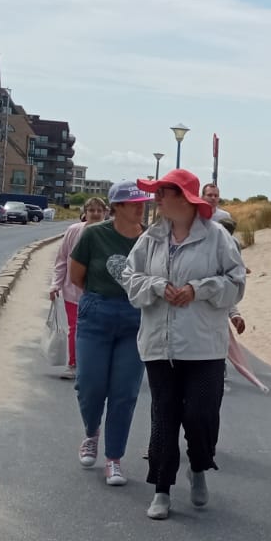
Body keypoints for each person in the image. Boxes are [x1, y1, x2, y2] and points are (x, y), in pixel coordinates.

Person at [119, 169, 247, 521]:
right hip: (159, 345)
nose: (157, 198)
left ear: (186, 198)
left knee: (201, 415)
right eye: (157, 192)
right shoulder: (150, 238)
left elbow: (236, 283)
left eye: (164, 192)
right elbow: (129, 278)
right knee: (164, 416)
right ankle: (162, 489)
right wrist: (158, 286)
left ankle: (199, 466)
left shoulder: (218, 237)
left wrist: (197, 290)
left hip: (204, 346)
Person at [68, 181, 154, 487]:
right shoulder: (94, 235)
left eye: (143, 202)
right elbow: (76, 276)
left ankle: (114, 458)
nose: (141, 207)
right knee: (89, 385)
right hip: (96, 314)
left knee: (124, 392)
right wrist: (102, 300)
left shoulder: (150, 239)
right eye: (134, 203)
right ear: (117, 206)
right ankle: (91, 432)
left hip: (135, 318)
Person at [49, 196, 107, 381]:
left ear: (105, 213)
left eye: (99, 211)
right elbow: (61, 260)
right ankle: (73, 365)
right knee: (75, 328)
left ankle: (93, 366)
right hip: (73, 291)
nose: (95, 214)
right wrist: (55, 284)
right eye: (91, 210)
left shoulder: (110, 233)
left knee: (98, 329)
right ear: (85, 213)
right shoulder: (73, 231)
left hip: (101, 293)